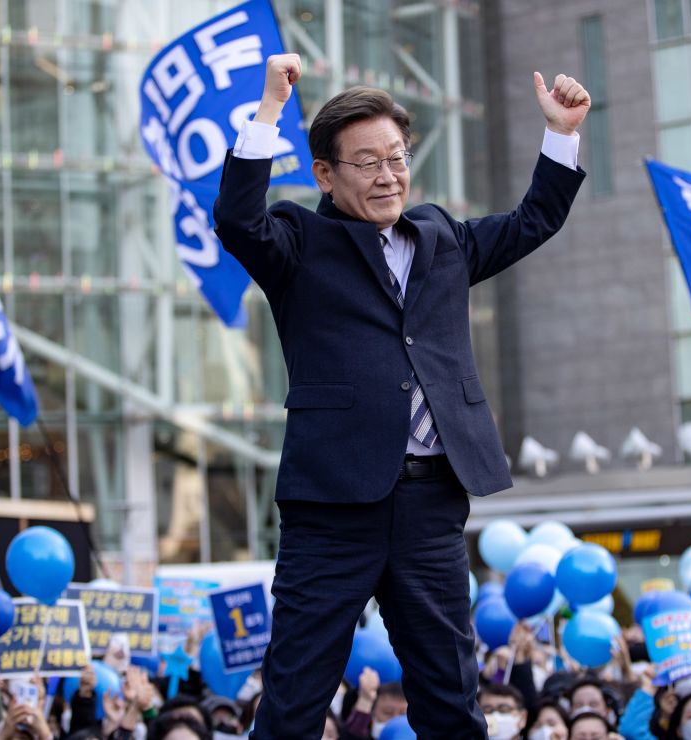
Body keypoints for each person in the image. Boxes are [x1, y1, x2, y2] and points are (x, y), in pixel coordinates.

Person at [213, 51, 589, 738]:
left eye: (397, 157)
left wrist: (561, 133)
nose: (388, 175)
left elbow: (533, 220)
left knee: (451, 702)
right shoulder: (298, 240)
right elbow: (239, 221)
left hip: (431, 504)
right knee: (293, 702)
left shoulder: (441, 236)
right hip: (331, 508)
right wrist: (270, 107)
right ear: (324, 173)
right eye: (367, 162)